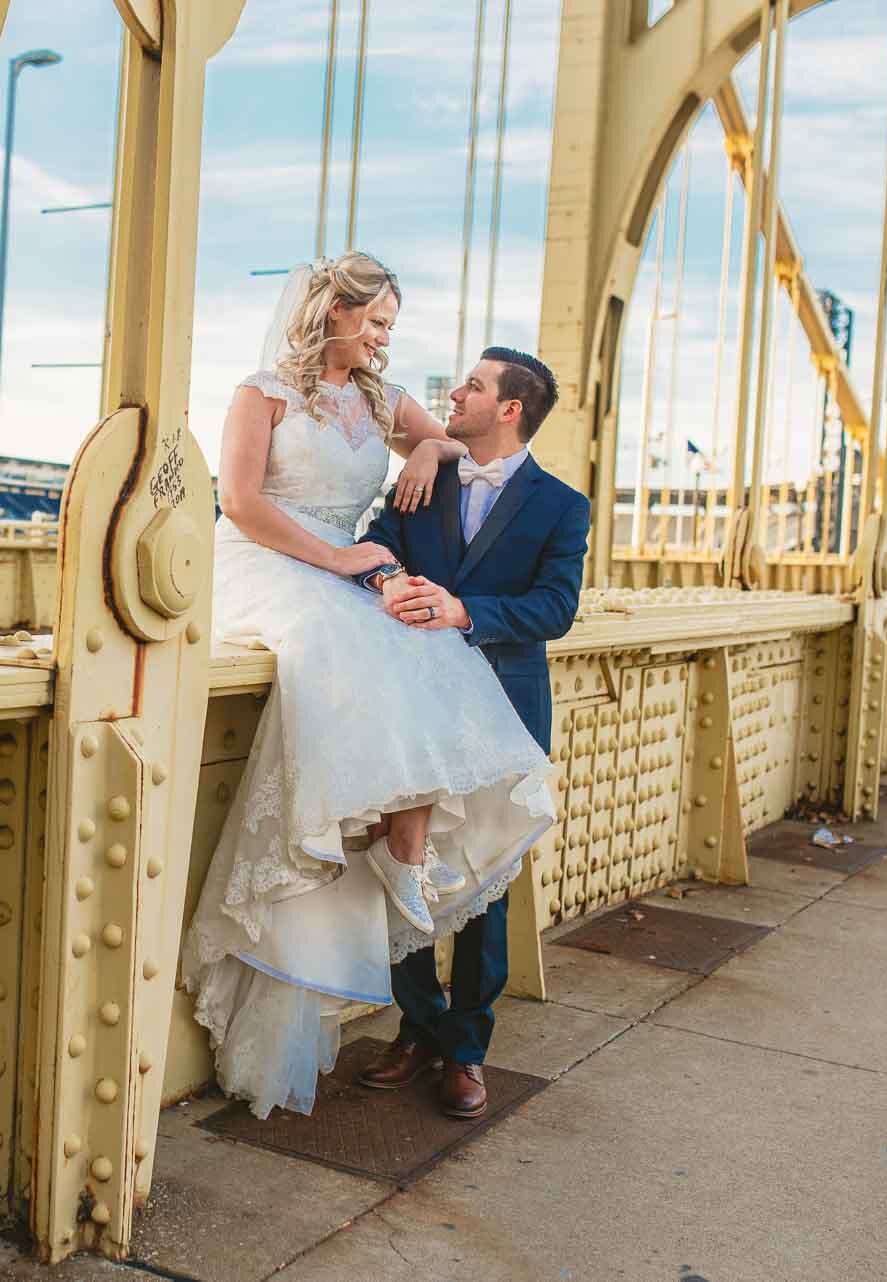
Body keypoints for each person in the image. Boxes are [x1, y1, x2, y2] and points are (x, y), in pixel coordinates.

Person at [180, 253, 556, 1119]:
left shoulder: (383, 399)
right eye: (375, 321)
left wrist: (424, 440)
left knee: (425, 643)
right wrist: (342, 557)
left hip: (345, 569)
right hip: (268, 563)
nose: (385, 337)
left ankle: (405, 846)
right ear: (333, 310)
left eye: (391, 323)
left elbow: (457, 439)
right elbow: (237, 502)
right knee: (343, 637)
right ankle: (374, 842)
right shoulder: (262, 390)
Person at [351, 346, 590, 1118]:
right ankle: (415, 1028)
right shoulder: (424, 479)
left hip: (502, 710)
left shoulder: (562, 506)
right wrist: (390, 576)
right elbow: (375, 544)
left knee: (485, 881)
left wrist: (466, 611)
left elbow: (554, 609)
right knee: (408, 860)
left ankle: (467, 1050)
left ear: (511, 408)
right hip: (416, 702)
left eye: (474, 386)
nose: (455, 393)